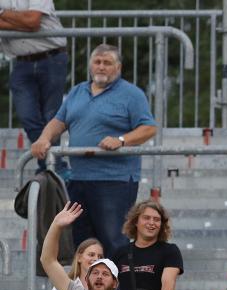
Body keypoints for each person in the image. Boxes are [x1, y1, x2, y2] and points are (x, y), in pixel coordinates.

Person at [30, 43, 157, 253]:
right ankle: (85, 286)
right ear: (90, 66)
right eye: (97, 62)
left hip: (114, 181)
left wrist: (122, 140)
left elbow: (149, 128)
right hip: (78, 179)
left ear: (118, 68)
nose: (101, 67)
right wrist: (44, 138)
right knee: (83, 243)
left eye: (107, 63)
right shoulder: (77, 91)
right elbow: (58, 122)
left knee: (114, 241)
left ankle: (119, 286)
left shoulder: (131, 94)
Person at [0, 0, 67, 171]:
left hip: (51, 58)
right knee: (28, 117)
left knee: (52, 117)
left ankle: (51, 168)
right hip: (21, 62)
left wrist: (2, 14)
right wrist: (21, 22)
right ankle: (54, 166)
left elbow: (32, 22)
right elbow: (29, 24)